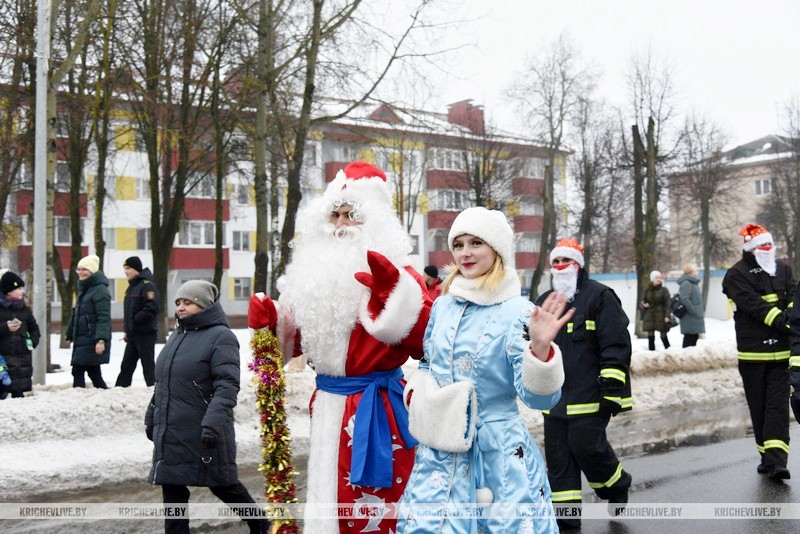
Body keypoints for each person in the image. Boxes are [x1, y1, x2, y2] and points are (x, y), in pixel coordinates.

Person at [247, 161, 433, 533]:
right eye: (334, 215)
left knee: (373, 506)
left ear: (374, 222)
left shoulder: (400, 274)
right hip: (328, 404)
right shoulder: (313, 278)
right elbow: (297, 339)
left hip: (376, 408)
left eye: (352, 215)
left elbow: (426, 339)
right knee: (327, 498)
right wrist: (272, 322)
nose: (341, 224)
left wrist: (394, 296)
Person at [396, 207, 569, 533]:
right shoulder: (443, 305)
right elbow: (427, 364)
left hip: (496, 459)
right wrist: (420, 392)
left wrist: (540, 352)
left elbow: (540, 400)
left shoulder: (518, 312)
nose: (465, 252)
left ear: (497, 249)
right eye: (458, 244)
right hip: (438, 453)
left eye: (476, 243)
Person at [145, 280, 268, 534]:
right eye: (178, 302)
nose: (181, 307)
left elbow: (227, 385)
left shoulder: (221, 337)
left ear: (204, 305)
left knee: (223, 484)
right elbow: (164, 383)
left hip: (204, 430)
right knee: (172, 489)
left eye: (188, 302)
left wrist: (213, 422)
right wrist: (151, 415)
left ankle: (260, 524)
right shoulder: (177, 335)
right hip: (172, 430)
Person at [536, 238, 633, 530]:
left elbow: (615, 343)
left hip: (591, 395)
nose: (560, 266)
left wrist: (613, 387)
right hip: (555, 399)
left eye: (566, 261)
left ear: (578, 265)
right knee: (559, 461)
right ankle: (566, 521)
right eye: (555, 262)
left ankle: (616, 484)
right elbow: (532, 344)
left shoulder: (600, 296)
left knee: (587, 448)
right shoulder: (545, 302)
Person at [722, 223, 795, 480]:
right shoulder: (736, 275)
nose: (767, 248)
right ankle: (766, 457)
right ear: (751, 248)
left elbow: (793, 297)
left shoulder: (783, 269)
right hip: (753, 355)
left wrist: (792, 316)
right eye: (762, 245)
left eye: (770, 244)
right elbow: (753, 305)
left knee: (777, 407)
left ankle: (777, 461)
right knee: (759, 407)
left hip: (781, 355)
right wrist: (784, 321)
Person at [66, 255, 111, 389]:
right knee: (93, 372)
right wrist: (70, 332)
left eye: (84, 269)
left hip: (92, 339)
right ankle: (103, 395)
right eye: (79, 269)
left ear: (92, 271)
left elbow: (104, 317)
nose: (80, 272)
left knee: (78, 370)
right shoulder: (84, 288)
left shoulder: (100, 290)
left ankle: (78, 397)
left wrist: (101, 340)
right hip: (83, 339)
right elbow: (77, 313)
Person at [115, 256, 160, 387]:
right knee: (126, 366)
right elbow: (129, 311)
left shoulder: (147, 286)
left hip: (145, 334)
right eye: (125, 268)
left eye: (128, 268)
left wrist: (135, 322)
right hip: (133, 334)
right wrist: (127, 329)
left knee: (148, 366)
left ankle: (156, 391)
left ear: (136, 269)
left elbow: (152, 308)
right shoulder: (132, 287)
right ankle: (120, 391)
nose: (126, 271)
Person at [0, 271, 40, 399]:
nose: (22, 291)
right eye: (19, 288)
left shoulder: (24, 309)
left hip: (22, 362)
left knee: (19, 398)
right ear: (8, 291)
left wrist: (32, 341)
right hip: (3, 363)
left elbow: (34, 328)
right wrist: (5, 328)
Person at [641, 270, 671, 350]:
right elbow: (643, 301)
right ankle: (651, 351)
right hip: (650, 314)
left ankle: (668, 350)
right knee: (650, 334)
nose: (658, 279)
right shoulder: (647, 290)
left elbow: (667, 304)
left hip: (661, 314)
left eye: (659, 277)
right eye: (656, 277)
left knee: (663, 333)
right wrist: (644, 305)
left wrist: (667, 315)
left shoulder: (664, 290)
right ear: (652, 279)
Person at [677, 263, 705, 347]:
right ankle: (685, 354)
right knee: (689, 338)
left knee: (694, 337)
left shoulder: (693, 283)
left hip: (694, 317)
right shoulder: (686, 284)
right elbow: (685, 299)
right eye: (695, 270)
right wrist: (694, 310)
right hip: (690, 317)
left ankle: (690, 354)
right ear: (691, 272)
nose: (697, 272)